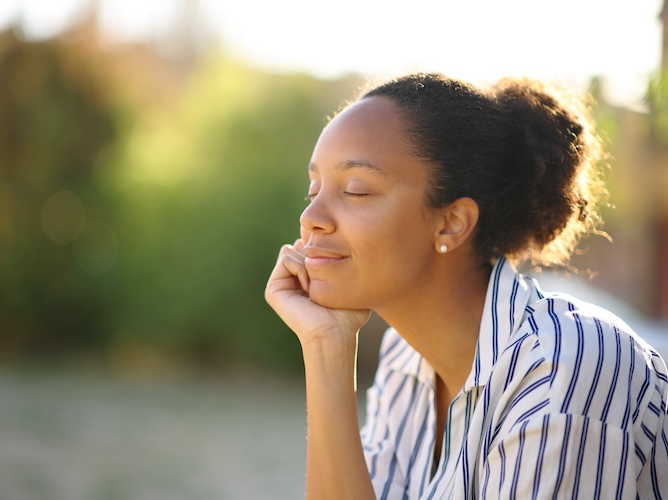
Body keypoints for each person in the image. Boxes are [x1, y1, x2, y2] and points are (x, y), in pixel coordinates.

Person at [264, 72, 668, 499]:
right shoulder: (405, 361)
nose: (312, 219)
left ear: (452, 223)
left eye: (356, 191)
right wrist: (327, 345)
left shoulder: (565, 365)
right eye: (315, 190)